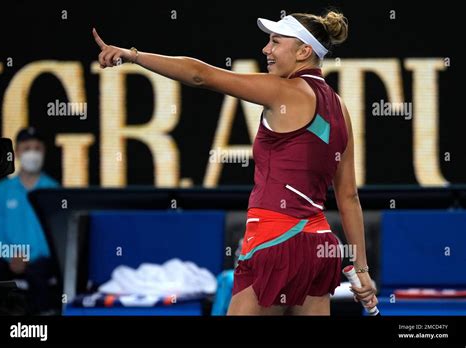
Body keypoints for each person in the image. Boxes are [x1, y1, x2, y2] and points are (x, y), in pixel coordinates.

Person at [92, 9, 378, 315]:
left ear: (303, 51)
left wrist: (134, 56)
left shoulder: (284, 90)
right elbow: (349, 197)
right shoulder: (340, 108)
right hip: (321, 247)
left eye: (275, 42)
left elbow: (201, 75)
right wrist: (362, 269)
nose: (266, 49)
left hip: (275, 243)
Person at [0, 127, 59, 314]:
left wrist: (29, 258)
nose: (32, 153)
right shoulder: (3, 190)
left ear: (44, 152)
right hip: (9, 259)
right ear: (17, 153)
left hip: (41, 261)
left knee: (40, 274)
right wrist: (11, 256)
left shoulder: (53, 189)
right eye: (27, 148)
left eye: (37, 148)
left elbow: (57, 234)